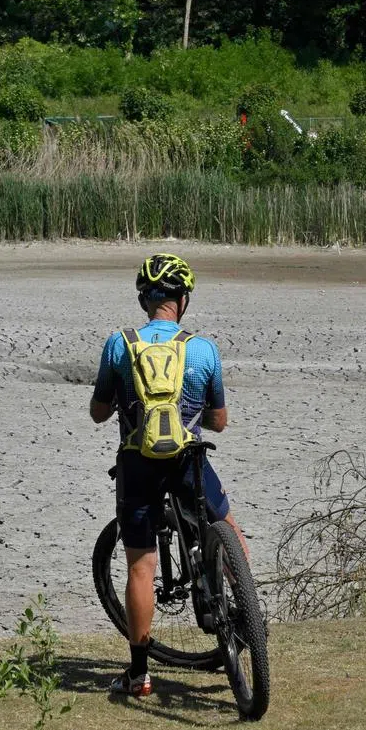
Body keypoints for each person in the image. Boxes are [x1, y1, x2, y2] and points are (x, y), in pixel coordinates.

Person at [90, 253, 246, 698]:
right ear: (182, 300)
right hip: (187, 463)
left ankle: (139, 675)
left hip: (138, 464)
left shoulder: (119, 344)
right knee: (228, 529)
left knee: (141, 566)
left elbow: (99, 413)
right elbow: (218, 422)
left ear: (145, 300)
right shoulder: (202, 349)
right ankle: (248, 620)